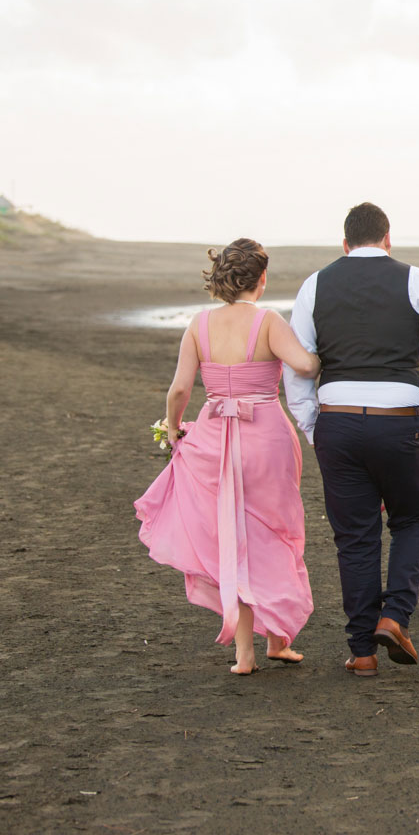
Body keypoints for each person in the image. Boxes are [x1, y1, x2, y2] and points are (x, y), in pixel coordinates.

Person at [283, 203, 419, 677]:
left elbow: (297, 362)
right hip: (402, 417)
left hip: (337, 421)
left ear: (344, 244)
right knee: (413, 519)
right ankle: (394, 616)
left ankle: (362, 651)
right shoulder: (418, 280)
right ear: (387, 239)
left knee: (355, 539)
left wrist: (311, 422)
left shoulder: (315, 284)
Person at [134, 239, 319, 675]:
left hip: (215, 438)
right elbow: (306, 367)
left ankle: (245, 654)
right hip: (266, 439)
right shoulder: (269, 321)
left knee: (231, 536)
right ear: (262, 278)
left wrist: (174, 427)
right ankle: (279, 639)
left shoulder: (199, 325)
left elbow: (179, 389)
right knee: (276, 531)